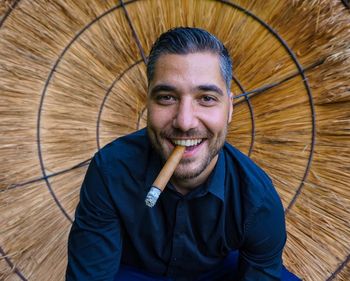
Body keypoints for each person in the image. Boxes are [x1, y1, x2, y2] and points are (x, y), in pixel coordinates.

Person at [66, 27, 301, 281]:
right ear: (148, 104)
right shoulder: (110, 171)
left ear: (230, 108)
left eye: (207, 98)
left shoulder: (257, 200)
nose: (185, 121)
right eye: (167, 97)